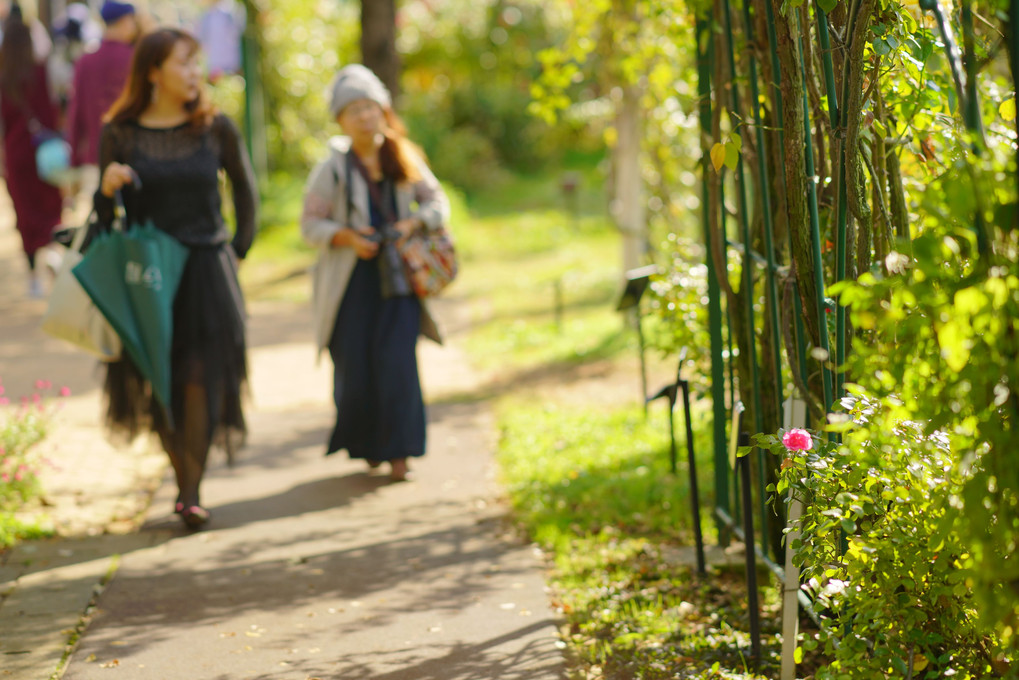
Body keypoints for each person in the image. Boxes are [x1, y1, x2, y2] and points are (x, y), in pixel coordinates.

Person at [96, 27, 257, 528]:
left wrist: (234, 255)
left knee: (197, 381)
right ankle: (183, 476)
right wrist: (106, 189)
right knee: (157, 379)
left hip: (206, 271)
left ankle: (190, 489)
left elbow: (247, 200)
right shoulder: (119, 133)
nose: (194, 73)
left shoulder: (216, 127)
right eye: (184, 63)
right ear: (153, 72)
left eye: (196, 63)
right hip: (148, 278)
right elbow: (105, 225)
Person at [301, 64, 448, 483]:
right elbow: (309, 225)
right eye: (354, 110)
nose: (365, 116)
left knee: (399, 363)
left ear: (383, 109)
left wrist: (413, 224)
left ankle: (400, 453)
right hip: (350, 283)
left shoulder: (404, 156)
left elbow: (438, 203)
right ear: (340, 120)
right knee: (356, 366)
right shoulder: (331, 169)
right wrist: (346, 237)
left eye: (370, 107)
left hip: (399, 278)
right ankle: (367, 447)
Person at [0, 3, 64, 298]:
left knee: (25, 215)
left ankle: (33, 277)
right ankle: (52, 254)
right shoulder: (41, 73)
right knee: (50, 208)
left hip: (16, 154)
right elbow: (53, 113)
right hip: (44, 152)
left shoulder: (3, 78)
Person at [66, 1, 138, 201]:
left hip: (95, 155)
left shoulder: (85, 61)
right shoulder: (134, 58)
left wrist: (73, 160)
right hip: (133, 154)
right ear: (124, 21)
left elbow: (75, 110)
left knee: (100, 219)